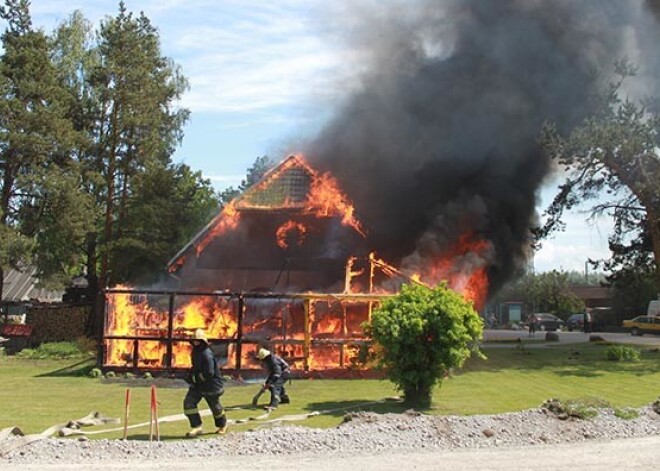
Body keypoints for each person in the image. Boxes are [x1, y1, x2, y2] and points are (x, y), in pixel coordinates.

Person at [183, 328, 228, 437]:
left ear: (203, 341)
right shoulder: (196, 352)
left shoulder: (207, 354)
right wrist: (190, 375)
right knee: (189, 403)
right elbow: (196, 367)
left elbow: (209, 373)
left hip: (211, 385)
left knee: (215, 406)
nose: (195, 342)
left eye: (197, 340)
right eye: (194, 340)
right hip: (198, 385)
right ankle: (197, 427)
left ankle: (223, 425)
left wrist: (195, 379)